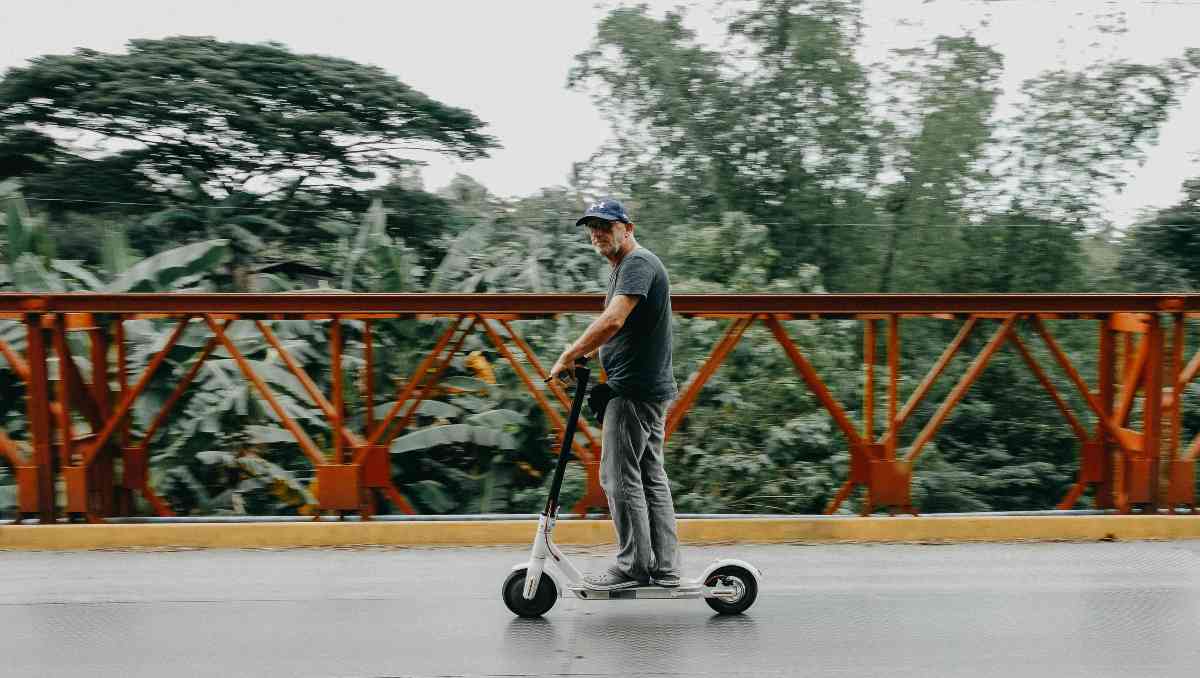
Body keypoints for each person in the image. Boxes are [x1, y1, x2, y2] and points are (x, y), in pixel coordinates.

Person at [547, 198, 682, 590]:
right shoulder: (629, 266)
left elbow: (614, 319)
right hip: (647, 388)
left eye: (605, 225)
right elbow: (622, 328)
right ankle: (664, 566)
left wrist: (569, 354)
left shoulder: (637, 264)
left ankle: (633, 567)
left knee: (617, 477)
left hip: (634, 391)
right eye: (592, 227)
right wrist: (587, 355)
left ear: (628, 227)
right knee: (649, 476)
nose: (597, 233)